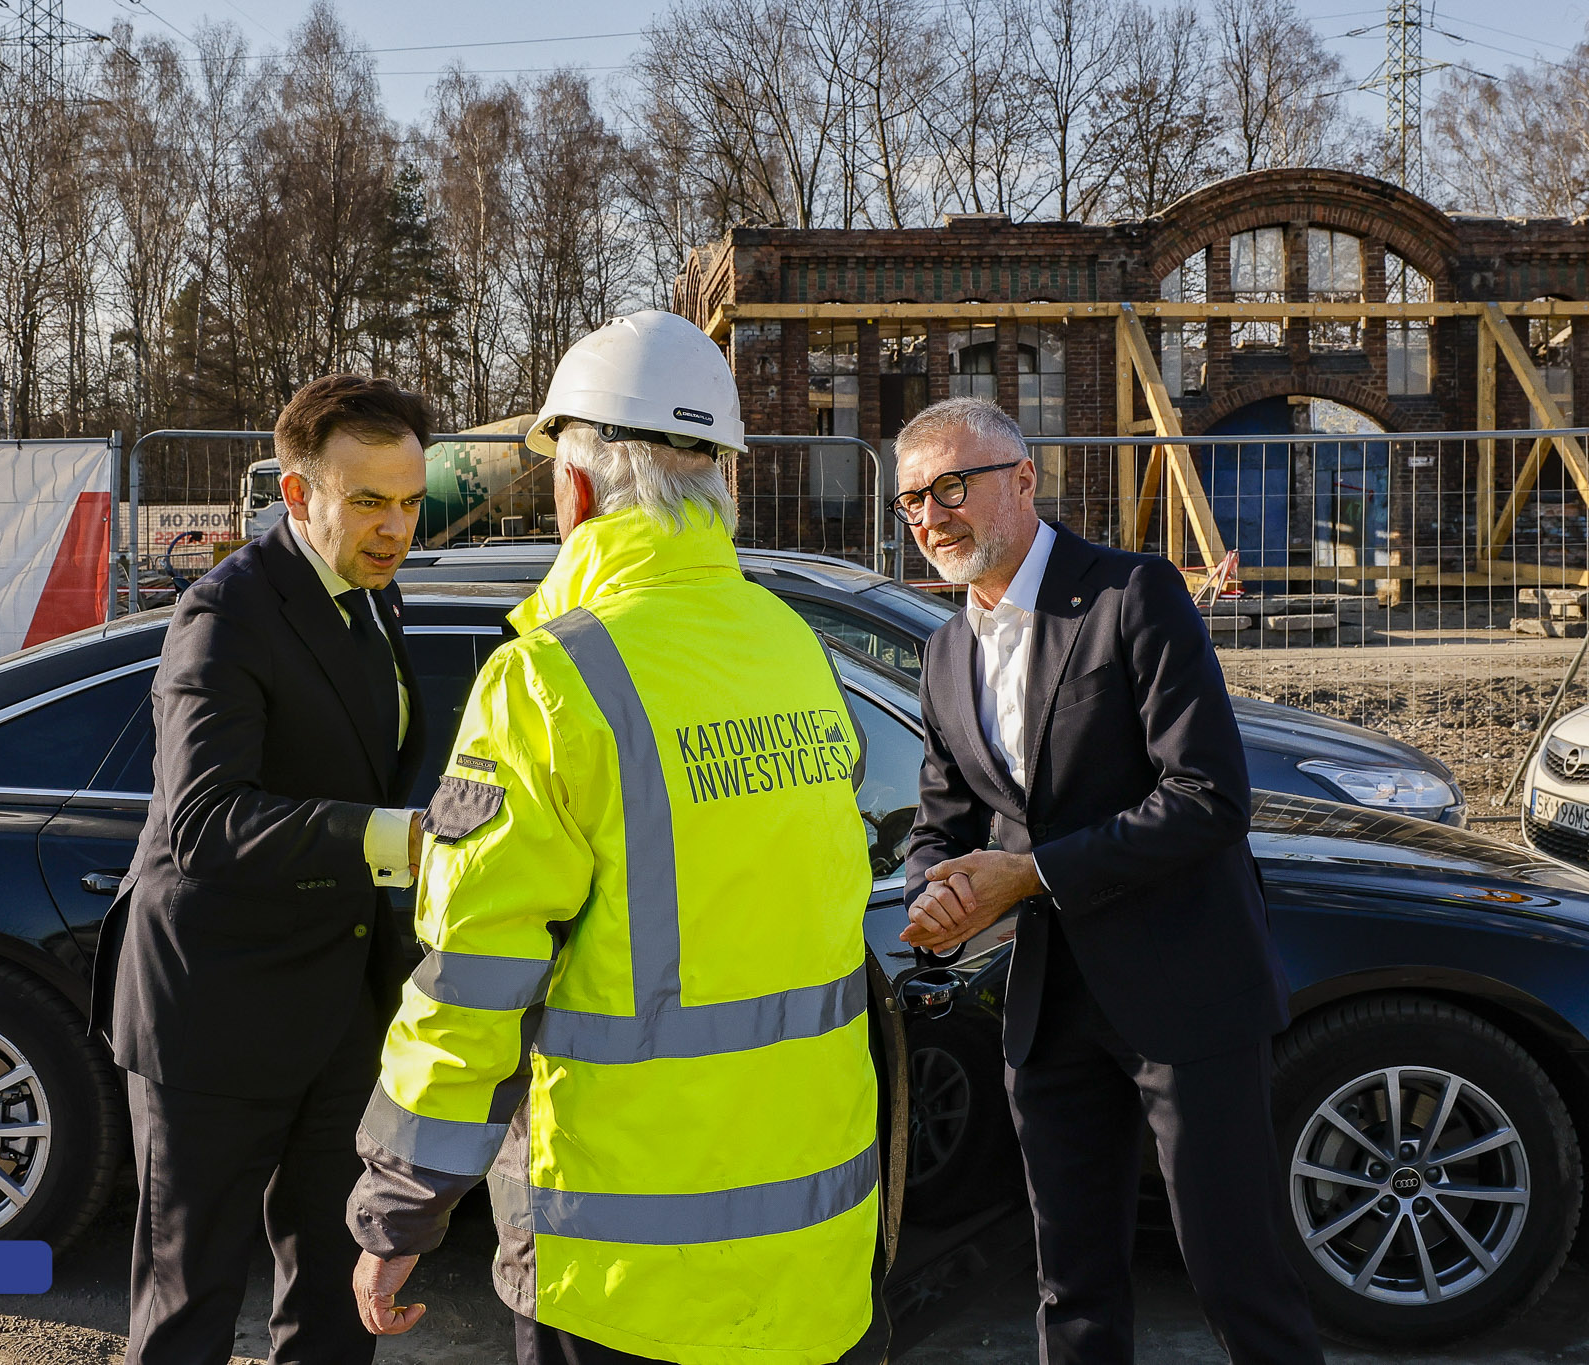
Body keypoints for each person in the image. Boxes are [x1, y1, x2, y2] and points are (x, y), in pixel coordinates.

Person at [343, 310, 880, 1365]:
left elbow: (473, 980)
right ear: (719, 475)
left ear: (577, 490)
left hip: (624, 1268)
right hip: (816, 1255)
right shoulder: (791, 647)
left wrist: (398, 1209)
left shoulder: (550, 679)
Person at [892, 396, 1323, 1364]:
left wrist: (1030, 874)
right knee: (1071, 1289)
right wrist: (933, 896)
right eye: (912, 499)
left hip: (1186, 996)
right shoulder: (944, 651)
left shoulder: (1131, 594)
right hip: (1048, 1013)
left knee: (1239, 1278)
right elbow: (942, 823)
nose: (929, 517)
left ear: (1023, 480)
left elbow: (1208, 796)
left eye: (951, 487)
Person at [92, 374, 434, 1365]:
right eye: (367, 501)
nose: (395, 528)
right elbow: (204, 821)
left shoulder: (378, 595)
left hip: (340, 1009)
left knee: (333, 1304)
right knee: (188, 1307)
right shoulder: (225, 611)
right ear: (296, 494)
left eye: (410, 501)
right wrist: (396, 838)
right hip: (213, 1014)